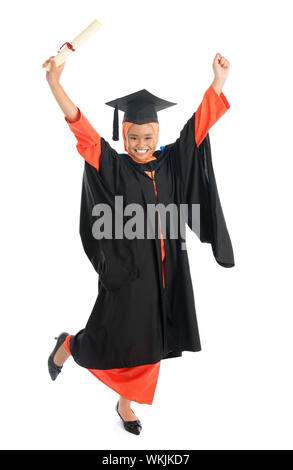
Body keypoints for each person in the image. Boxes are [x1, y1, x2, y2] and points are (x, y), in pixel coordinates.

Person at [43, 52, 234, 435]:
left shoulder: (172, 163)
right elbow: (82, 130)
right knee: (114, 337)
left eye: (148, 137)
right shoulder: (114, 168)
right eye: (133, 137)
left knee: (152, 342)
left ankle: (126, 404)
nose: (141, 144)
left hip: (167, 272)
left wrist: (218, 82)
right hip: (129, 273)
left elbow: (199, 125)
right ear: (124, 134)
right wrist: (55, 84)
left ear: (157, 135)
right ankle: (70, 346)